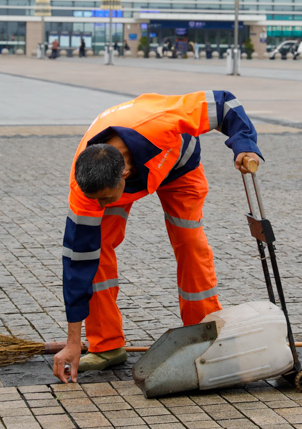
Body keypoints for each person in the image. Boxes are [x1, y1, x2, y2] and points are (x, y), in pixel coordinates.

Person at [53, 91, 263, 384]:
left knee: (190, 245)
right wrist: (73, 341)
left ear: (124, 174)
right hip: (126, 170)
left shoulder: (162, 121)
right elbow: (77, 265)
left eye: (104, 200)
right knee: (96, 248)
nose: (99, 207)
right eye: (96, 201)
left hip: (177, 165)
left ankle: (203, 335)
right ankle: (107, 345)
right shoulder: (87, 189)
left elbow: (223, 103)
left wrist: (244, 146)